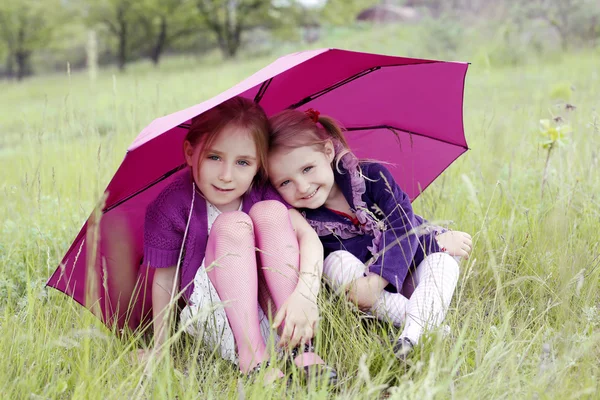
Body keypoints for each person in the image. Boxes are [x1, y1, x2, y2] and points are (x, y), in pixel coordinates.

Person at [142, 97, 336, 384]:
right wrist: (160, 346)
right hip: (219, 313)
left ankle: (300, 349)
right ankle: (253, 359)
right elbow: (165, 280)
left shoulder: (260, 191)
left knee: (271, 213)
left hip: (275, 308)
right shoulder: (171, 205)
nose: (226, 176)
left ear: (259, 165)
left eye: (243, 162)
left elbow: (307, 237)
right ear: (189, 152)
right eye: (213, 157)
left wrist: (305, 294)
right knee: (233, 225)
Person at [267, 108, 472, 359]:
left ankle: (415, 331)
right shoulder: (306, 221)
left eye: (307, 169)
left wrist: (430, 244)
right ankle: (422, 330)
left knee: (443, 262)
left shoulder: (370, 177)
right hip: (364, 293)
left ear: (328, 152)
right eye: (285, 182)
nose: (302, 186)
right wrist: (371, 285)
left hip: (407, 270)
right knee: (336, 262)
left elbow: (403, 225)